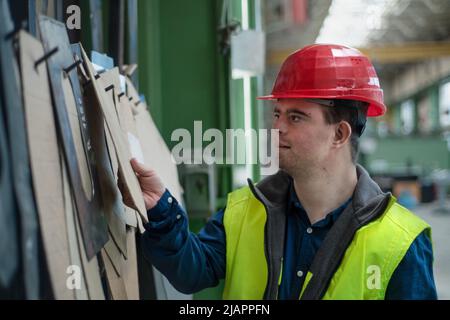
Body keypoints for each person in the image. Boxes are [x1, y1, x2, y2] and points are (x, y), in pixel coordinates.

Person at [121, 44, 437, 300]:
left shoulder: (400, 241)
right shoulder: (245, 210)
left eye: (296, 117)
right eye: (277, 114)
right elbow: (191, 271)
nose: (277, 128)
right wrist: (160, 207)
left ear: (339, 135)